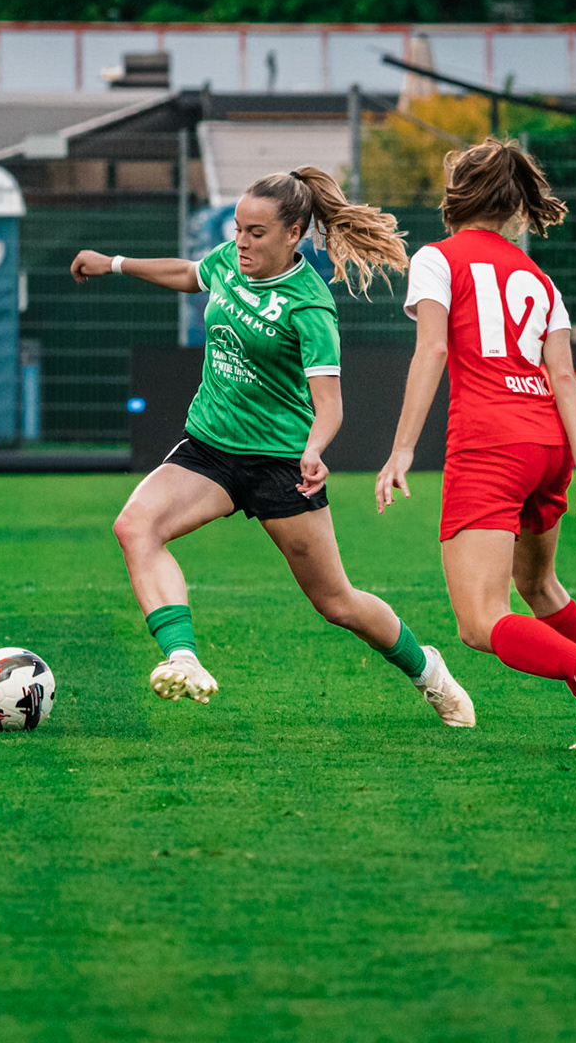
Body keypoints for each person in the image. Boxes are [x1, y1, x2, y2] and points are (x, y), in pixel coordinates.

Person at [69, 167, 477, 726]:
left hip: (281, 463)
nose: (241, 242)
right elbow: (191, 273)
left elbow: (329, 404)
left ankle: (428, 672)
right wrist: (113, 263)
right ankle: (183, 659)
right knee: (135, 526)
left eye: (256, 233)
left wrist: (314, 450)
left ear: (294, 235)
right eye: (238, 228)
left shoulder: (309, 305)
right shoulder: (230, 262)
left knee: (337, 603)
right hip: (209, 448)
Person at [375, 139, 576, 757]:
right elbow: (568, 381)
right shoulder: (540, 278)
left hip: (490, 445)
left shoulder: (439, 259)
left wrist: (401, 450)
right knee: (540, 585)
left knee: (478, 622)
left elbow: (434, 351)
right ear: (515, 202)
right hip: (549, 444)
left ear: (455, 196)